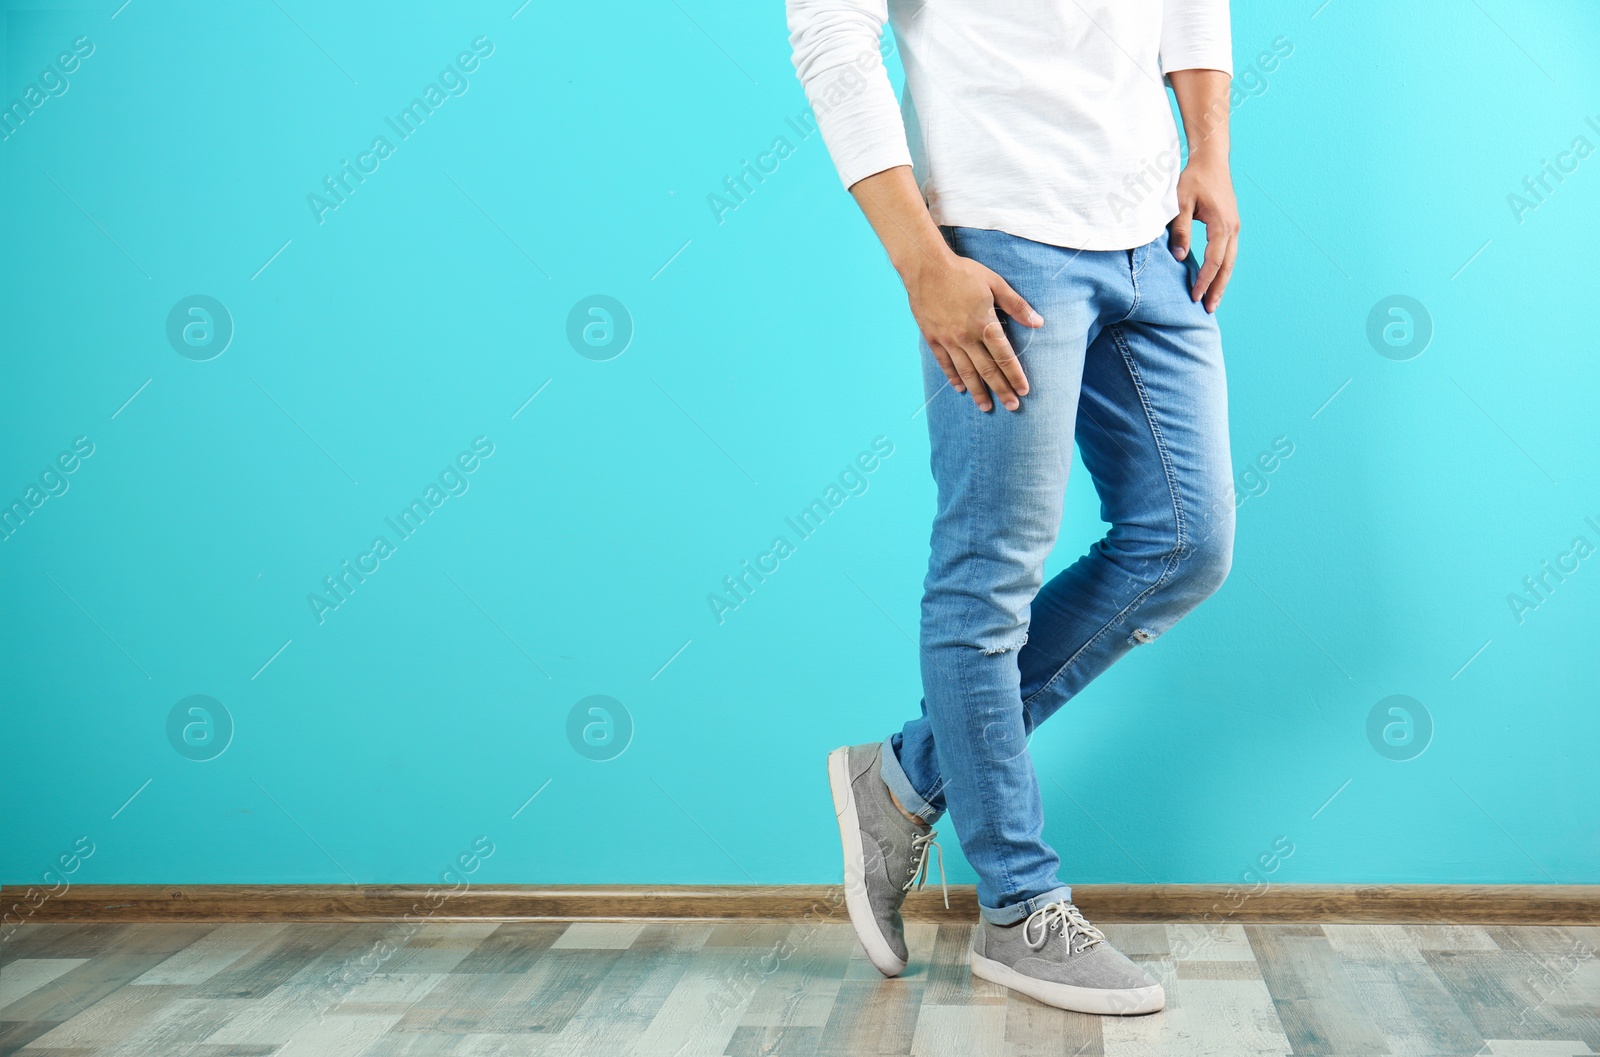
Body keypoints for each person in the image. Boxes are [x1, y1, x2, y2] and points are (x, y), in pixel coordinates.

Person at [788, 0, 1241, 1015]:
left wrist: (1206, 149)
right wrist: (921, 262)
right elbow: (830, 39)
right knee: (987, 575)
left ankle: (904, 778)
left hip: (1147, 234)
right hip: (998, 241)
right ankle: (1017, 906)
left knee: (1186, 543)